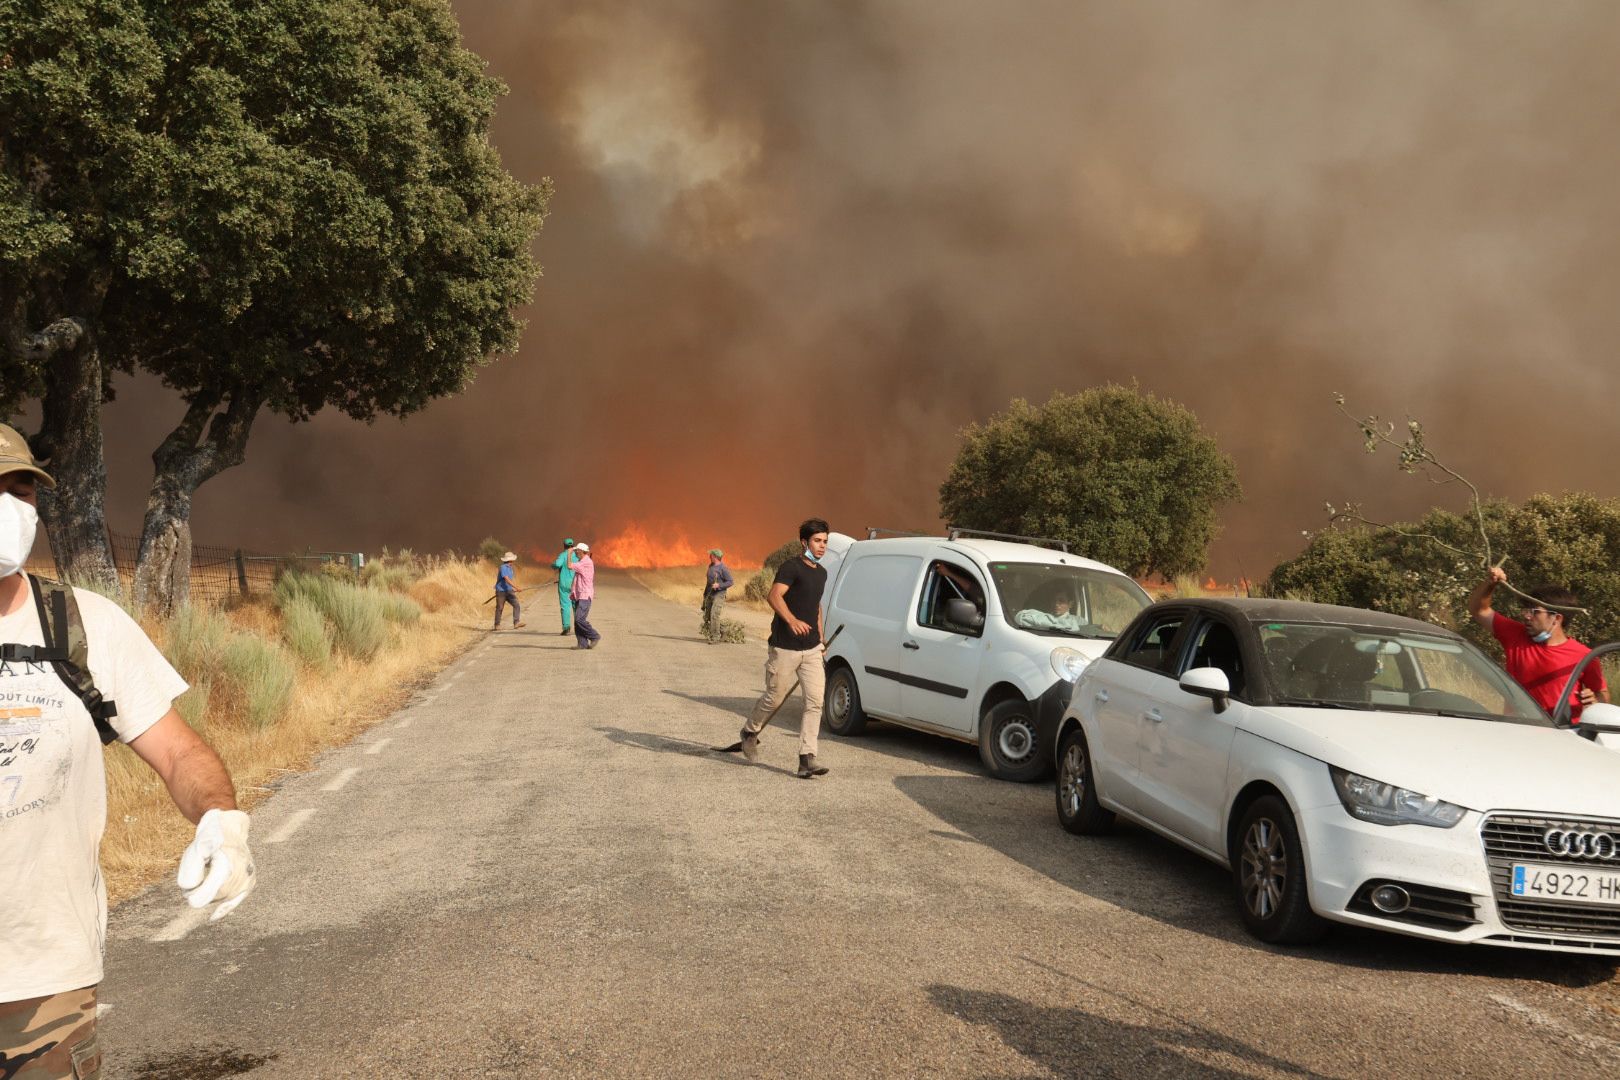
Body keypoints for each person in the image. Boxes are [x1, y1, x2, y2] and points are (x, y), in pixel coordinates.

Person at [0, 424, 254, 1075]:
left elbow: (178, 753)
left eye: (19, 489)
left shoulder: (84, 626)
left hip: (42, 979)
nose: (7, 506)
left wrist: (221, 822)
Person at [739, 519, 832, 779]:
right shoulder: (791, 567)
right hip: (785, 647)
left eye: (825, 541)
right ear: (804, 542)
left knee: (815, 702)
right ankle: (749, 732)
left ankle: (806, 759)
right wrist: (791, 621)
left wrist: (821, 639)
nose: (822, 546)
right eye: (817, 541)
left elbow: (816, 606)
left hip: (811, 649)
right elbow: (774, 595)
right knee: (775, 697)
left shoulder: (822, 573)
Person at [1469, 566, 1608, 722]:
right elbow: (1478, 610)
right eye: (1526, 610)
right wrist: (1490, 583)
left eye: (1535, 611)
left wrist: (1595, 702)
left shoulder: (1584, 656)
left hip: (1562, 732)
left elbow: (1602, 695)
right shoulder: (1515, 635)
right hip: (1517, 728)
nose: (1527, 616)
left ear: (1556, 618)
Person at [570, 542, 600, 650]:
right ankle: (582, 643)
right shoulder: (582, 561)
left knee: (579, 619)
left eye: (576, 550)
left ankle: (594, 636)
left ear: (582, 551)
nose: (575, 552)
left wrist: (569, 553)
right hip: (579, 594)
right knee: (577, 621)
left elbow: (569, 566)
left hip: (585, 595)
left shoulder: (586, 562)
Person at [701, 548, 734, 643]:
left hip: (719, 594)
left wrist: (719, 585)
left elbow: (730, 582)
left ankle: (715, 637)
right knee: (708, 616)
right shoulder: (711, 566)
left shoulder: (723, 568)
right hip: (710, 593)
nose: (709, 556)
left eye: (711, 555)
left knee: (714, 614)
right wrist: (705, 595)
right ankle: (724, 630)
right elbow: (709, 582)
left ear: (715, 557)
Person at [492, 551, 524, 631]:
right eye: (512, 560)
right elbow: (506, 579)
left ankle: (516, 623)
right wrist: (516, 587)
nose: (513, 561)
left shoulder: (510, 568)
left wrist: (513, 588)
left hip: (509, 590)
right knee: (500, 607)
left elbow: (509, 580)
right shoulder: (503, 567)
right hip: (501, 591)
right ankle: (497, 625)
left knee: (516, 605)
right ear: (510, 560)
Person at [551, 538, 577, 636]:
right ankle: (578, 628)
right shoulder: (577, 555)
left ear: (564, 546)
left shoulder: (563, 555)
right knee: (576, 606)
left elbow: (557, 564)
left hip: (564, 584)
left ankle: (566, 627)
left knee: (565, 606)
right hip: (576, 584)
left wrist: (552, 565)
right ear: (573, 545)